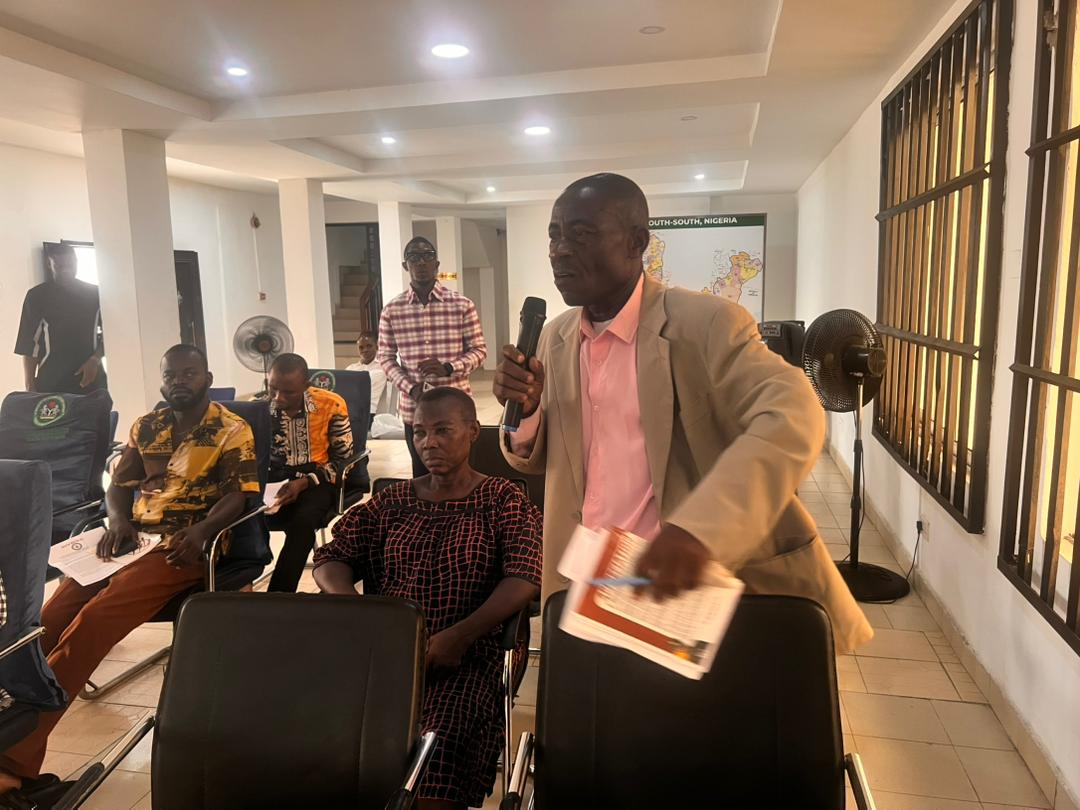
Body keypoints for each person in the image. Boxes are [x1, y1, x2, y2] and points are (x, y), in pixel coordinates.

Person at [495, 173, 872, 654]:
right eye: (554, 235)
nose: (560, 250)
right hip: (585, 582)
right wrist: (527, 411)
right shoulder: (556, 336)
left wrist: (699, 530)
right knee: (597, 702)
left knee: (678, 701)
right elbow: (536, 456)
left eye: (582, 233)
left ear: (637, 242)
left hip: (673, 582)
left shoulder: (706, 324)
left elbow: (793, 411)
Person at [0, 344, 259, 793]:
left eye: (189, 373)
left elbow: (239, 495)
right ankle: (9, 727)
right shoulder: (147, 425)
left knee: (95, 620)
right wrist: (117, 519)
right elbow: (118, 486)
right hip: (132, 539)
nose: (179, 381)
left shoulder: (232, 429)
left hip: (184, 546)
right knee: (43, 622)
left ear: (207, 377)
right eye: (171, 375)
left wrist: (202, 531)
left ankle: (12, 764)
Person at [314, 388, 541, 810]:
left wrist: (459, 636)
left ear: (473, 431)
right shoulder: (393, 501)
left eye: (442, 431)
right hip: (388, 655)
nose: (428, 443)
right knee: (334, 743)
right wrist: (358, 610)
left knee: (437, 744)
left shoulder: (501, 499)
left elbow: (524, 575)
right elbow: (332, 557)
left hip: (468, 654)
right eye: (419, 432)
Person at [377, 236, 488, 477]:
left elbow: (480, 351)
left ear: (436, 264)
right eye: (414, 257)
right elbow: (385, 358)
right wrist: (412, 388)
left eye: (427, 256)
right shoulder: (392, 310)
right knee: (423, 477)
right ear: (405, 265)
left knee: (463, 476)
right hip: (415, 411)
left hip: (456, 410)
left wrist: (449, 367)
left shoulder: (461, 305)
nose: (421, 262)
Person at [265, 352, 354, 593]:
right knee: (241, 516)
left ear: (306, 385)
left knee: (302, 523)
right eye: (272, 388)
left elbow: (344, 460)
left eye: (288, 392)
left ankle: (278, 596)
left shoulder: (330, 404)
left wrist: (304, 483)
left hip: (318, 479)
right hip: (274, 478)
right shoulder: (260, 407)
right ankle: (237, 589)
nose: (278, 398)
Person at [14, 243, 106, 395]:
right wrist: (30, 386)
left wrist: (95, 360)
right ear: (49, 264)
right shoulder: (36, 296)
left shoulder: (95, 294)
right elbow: (29, 345)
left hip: (92, 380)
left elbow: (110, 335)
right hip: (51, 383)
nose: (66, 269)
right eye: (60, 265)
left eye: (70, 264)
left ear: (77, 262)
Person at [346, 331, 387, 416]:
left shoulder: (384, 367)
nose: (365, 350)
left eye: (369, 346)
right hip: (350, 412)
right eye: (361, 347)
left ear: (377, 347)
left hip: (372, 413)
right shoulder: (350, 369)